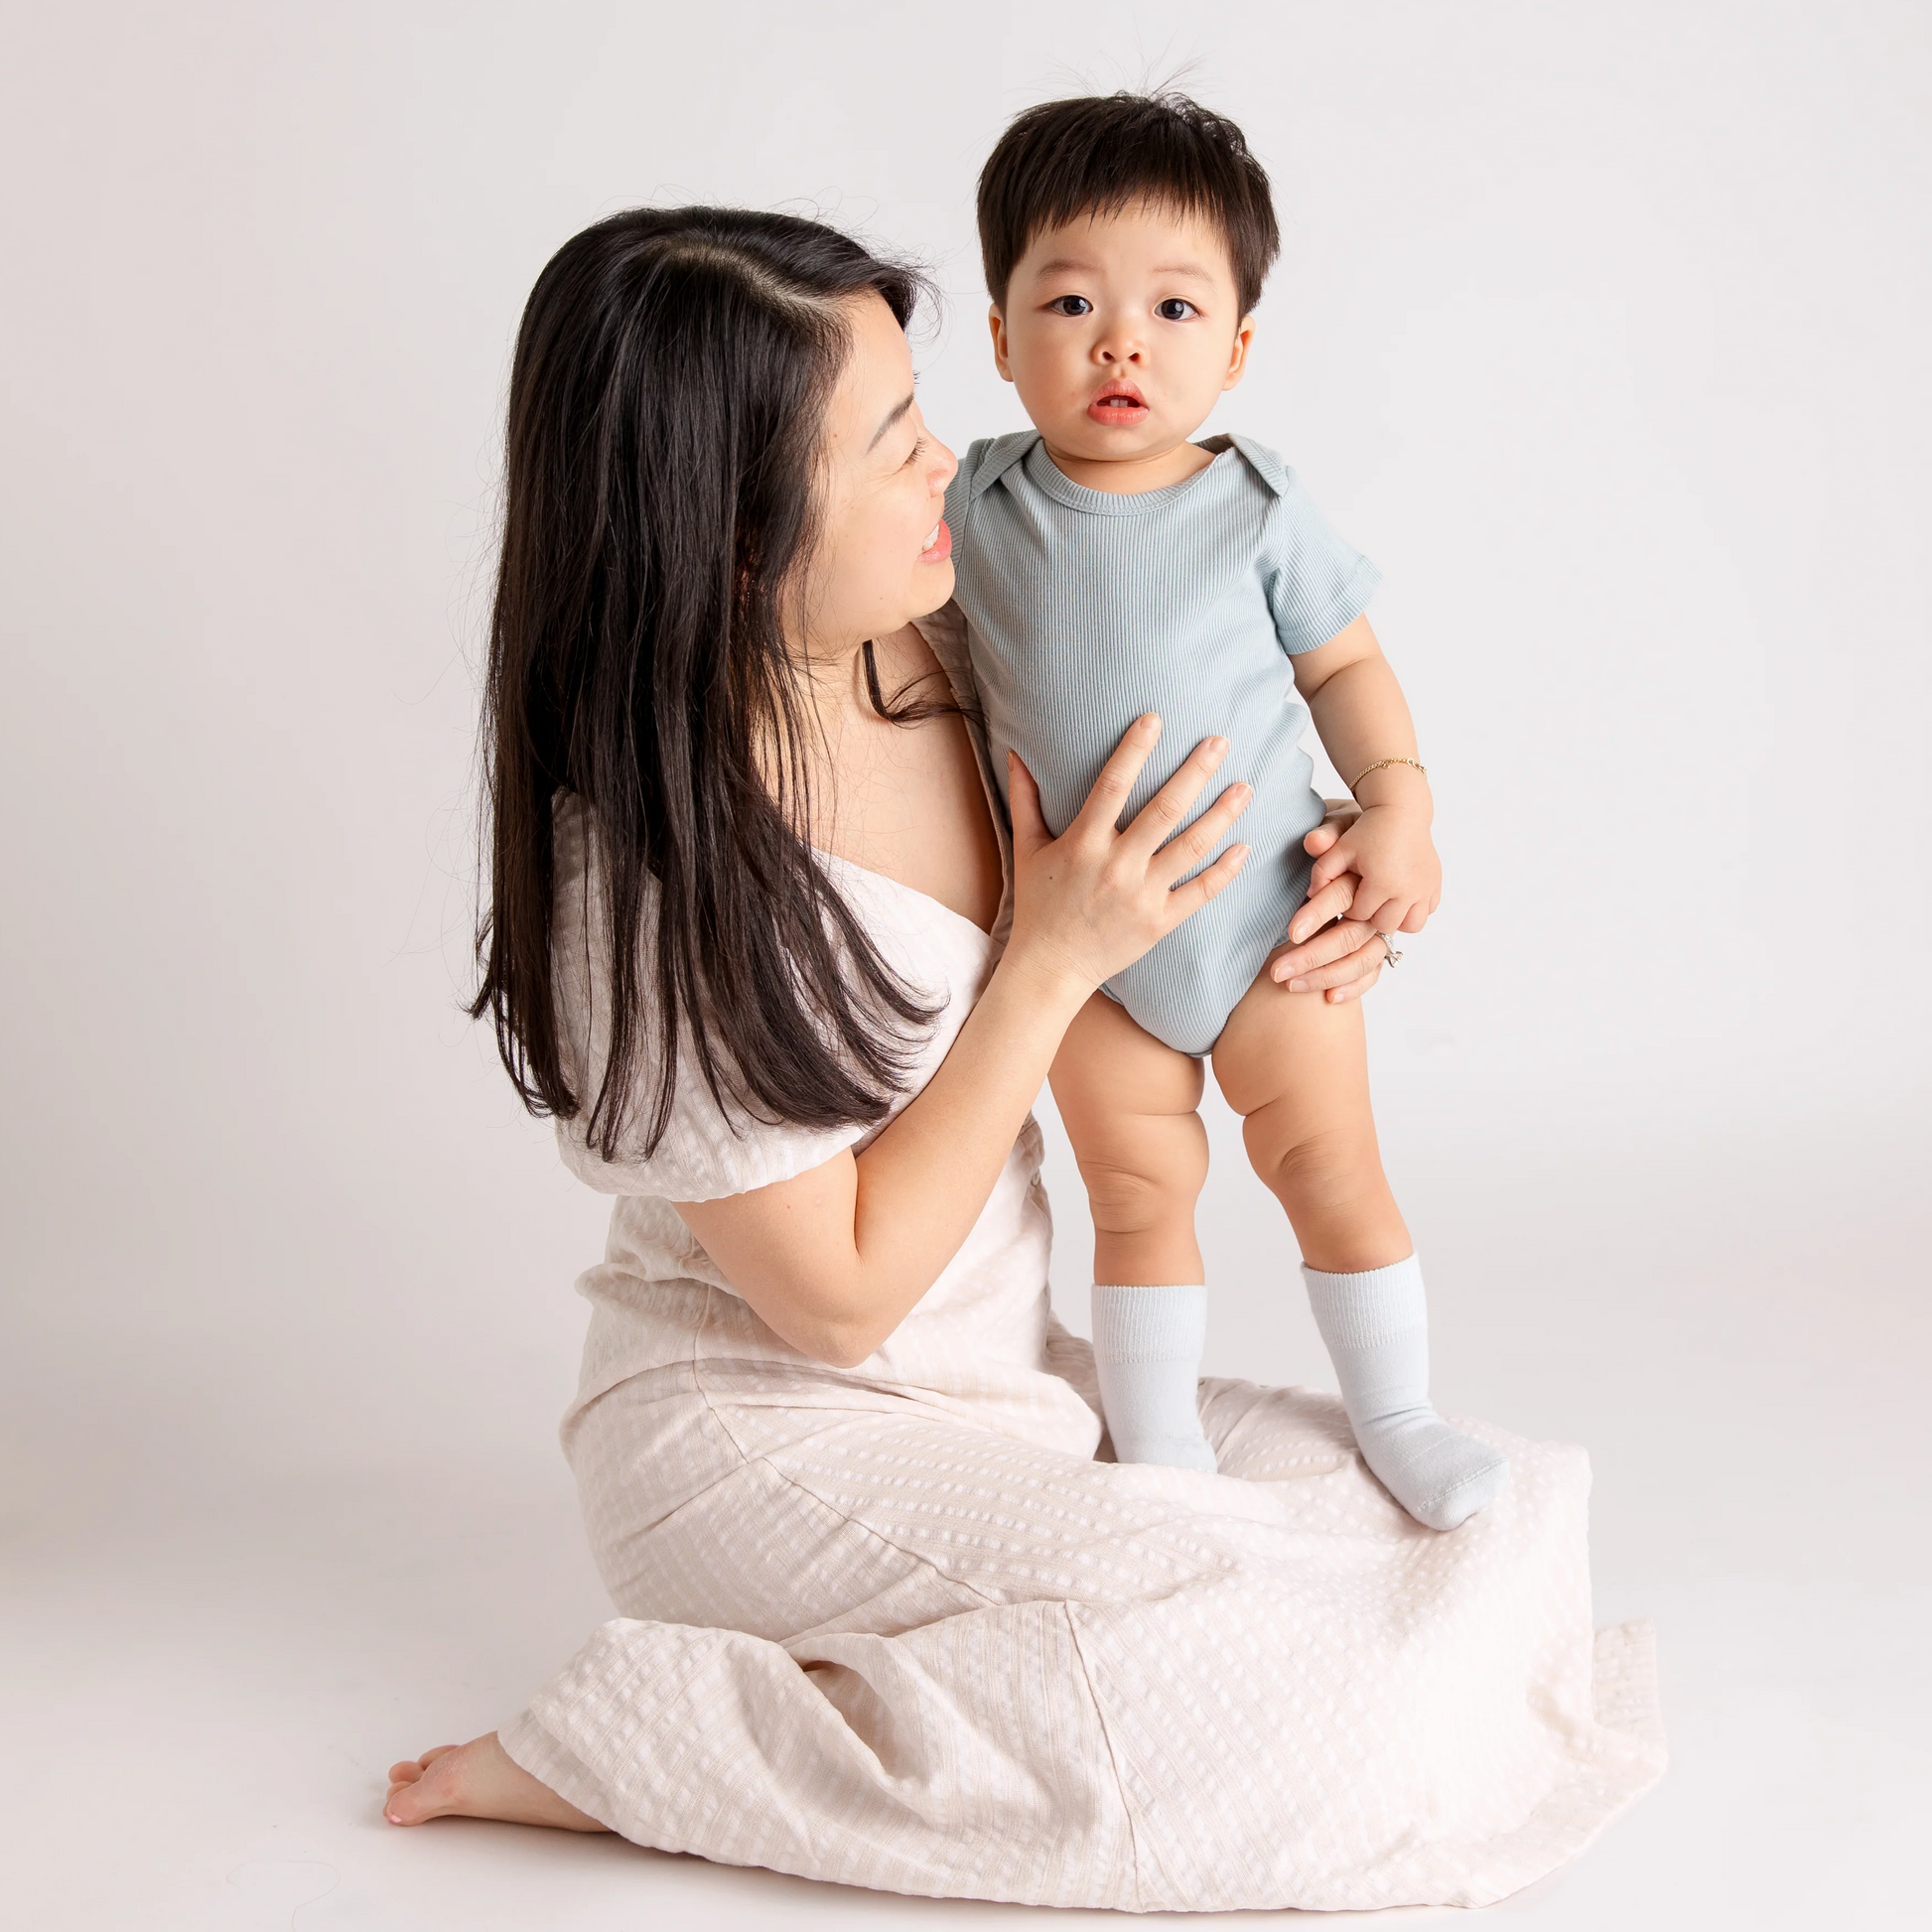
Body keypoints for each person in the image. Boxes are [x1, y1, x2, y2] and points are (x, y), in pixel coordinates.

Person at [383, 205, 1664, 1912]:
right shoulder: (649, 881)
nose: (954, 461)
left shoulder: (926, 644)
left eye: (923, 410)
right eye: (892, 439)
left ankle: (940, 1681)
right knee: (1303, 1668)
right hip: (769, 1435)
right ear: (732, 529)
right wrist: (1052, 962)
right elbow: (834, 1303)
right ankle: (650, 1743)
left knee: (1472, 1526)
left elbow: (1223, 703)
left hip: (1005, 1376)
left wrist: (1348, 856)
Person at [942, 91, 1503, 1523]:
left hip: (1267, 920)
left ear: (1238, 348)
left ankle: (1398, 1412)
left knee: (1325, 1161)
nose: (1120, 339)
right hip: (1084, 953)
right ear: (1001, 339)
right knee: (1135, 1186)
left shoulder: (1254, 506)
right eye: (1068, 300)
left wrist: (1398, 803)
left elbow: (1345, 664)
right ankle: (1162, 1446)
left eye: (1175, 308)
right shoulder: (974, 507)